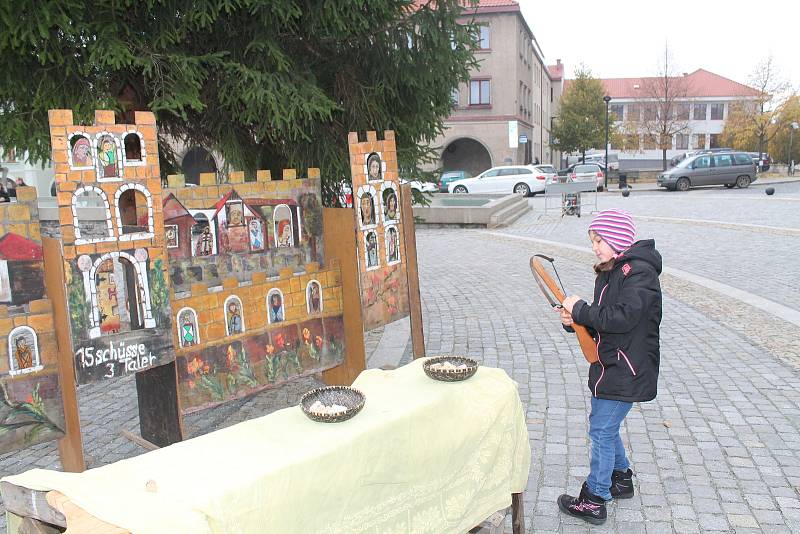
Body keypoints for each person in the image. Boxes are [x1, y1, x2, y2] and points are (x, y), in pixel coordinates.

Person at [555, 209, 662, 525]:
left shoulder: (639, 274)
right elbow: (601, 320)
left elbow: (622, 317)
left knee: (601, 428)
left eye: (599, 240)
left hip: (627, 368)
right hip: (611, 364)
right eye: (592, 241)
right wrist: (575, 320)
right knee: (604, 425)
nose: (595, 247)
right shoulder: (610, 272)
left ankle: (596, 497)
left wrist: (582, 310)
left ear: (617, 239)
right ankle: (620, 479)